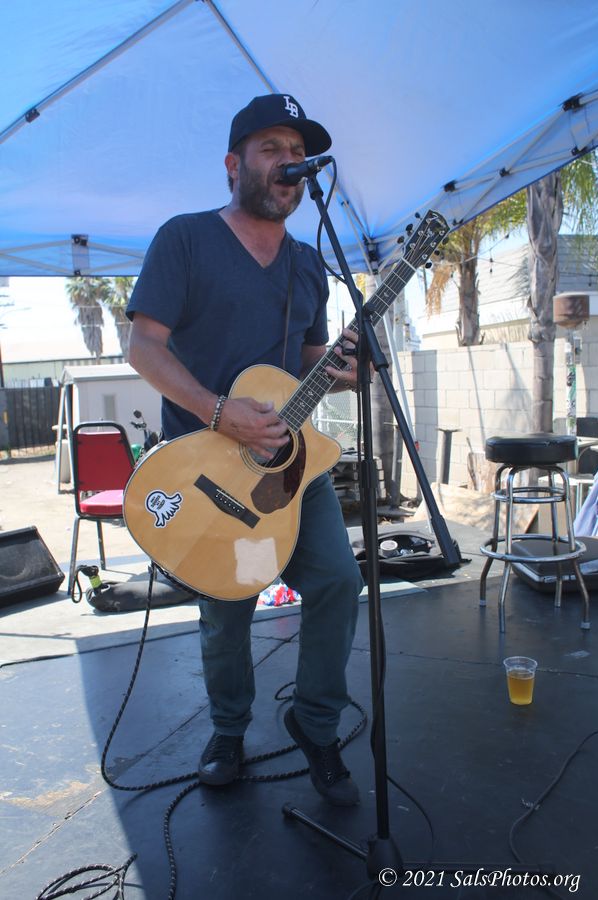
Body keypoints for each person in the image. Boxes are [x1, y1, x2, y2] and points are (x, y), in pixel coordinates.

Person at [126, 93, 364, 807]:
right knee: (226, 605)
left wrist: (346, 368)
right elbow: (143, 346)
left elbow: (312, 358)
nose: (289, 162)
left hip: (291, 466)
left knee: (338, 582)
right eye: (271, 149)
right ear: (234, 165)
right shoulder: (186, 239)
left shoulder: (308, 264)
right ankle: (228, 730)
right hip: (206, 468)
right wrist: (217, 410)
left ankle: (315, 725)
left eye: (297, 152)